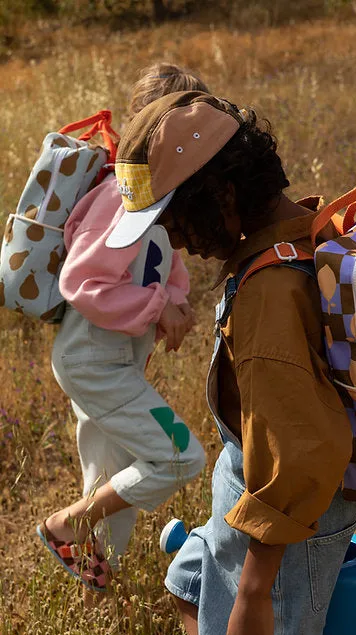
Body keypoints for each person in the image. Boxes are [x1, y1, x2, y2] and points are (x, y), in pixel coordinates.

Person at [105, 91, 356, 635]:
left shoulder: (269, 297)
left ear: (222, 197)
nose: (178, 240)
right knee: (190, 575)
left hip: (290, 519)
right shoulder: (285, 234)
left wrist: (254, 587)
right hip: (251, 486)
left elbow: (302, 449)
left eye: (178, 220)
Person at [36, 65, 209, 593]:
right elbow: (82, 282)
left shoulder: (157, 199)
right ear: (151, 132)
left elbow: (169, 270)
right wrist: (160, 309)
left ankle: (94, 587)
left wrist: (174, 305)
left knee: (113, 478)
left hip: (113, 361)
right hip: (94, 362)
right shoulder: (121, 196)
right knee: (180, 454)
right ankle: (64, 525)